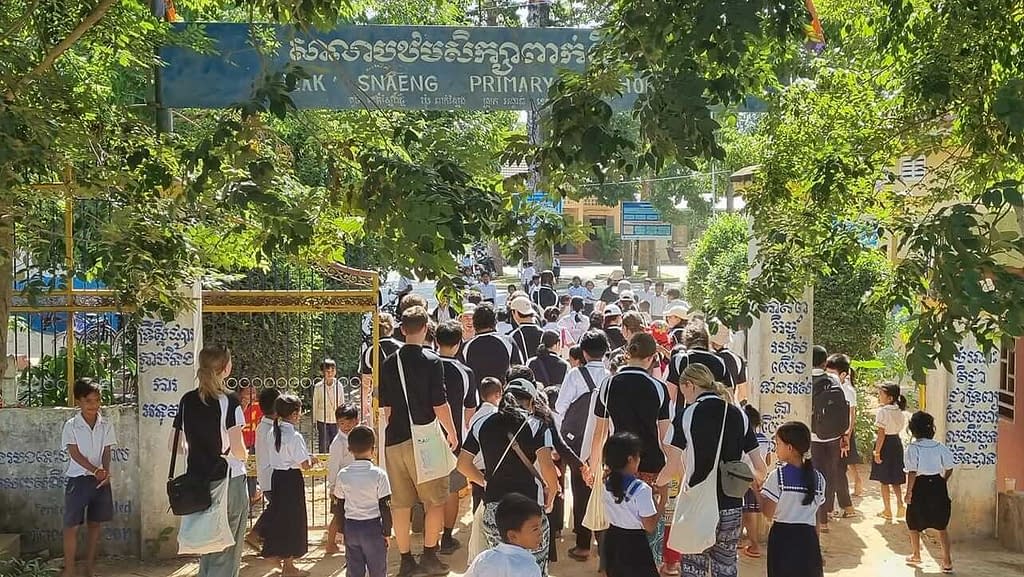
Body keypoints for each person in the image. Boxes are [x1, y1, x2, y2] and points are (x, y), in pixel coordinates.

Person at [379, 306, 460, 577]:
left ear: (402, 329)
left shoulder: (389, 362)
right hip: (425, 438)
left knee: (400, 505)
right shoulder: (431, 360)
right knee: (434, 501)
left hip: (395, 441)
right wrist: (451, 431)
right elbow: (439, 403)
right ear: (426, 328)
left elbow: (386, 409)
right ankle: (429, 555)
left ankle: (405, 560)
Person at [671, 363, 767, 577]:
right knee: (725, 564)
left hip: (696, 504)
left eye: (683, 389)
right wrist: (749, 481)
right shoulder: (739, 415)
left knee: (694, 565)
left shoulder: (687, 415)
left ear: (690, 385)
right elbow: (760, 468)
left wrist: (657, 486)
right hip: (732, 504)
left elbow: (671, 467)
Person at [458, 378, 560, 575]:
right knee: (534, 566)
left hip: (494, 507)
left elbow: (462, 464)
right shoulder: (537, 425)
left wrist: (485, 482)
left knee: (501, 565)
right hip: (528, 508)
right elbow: (547, 466)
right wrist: (553, 492)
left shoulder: (481, 423)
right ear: (531, 401)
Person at [591, 333, 672, 563]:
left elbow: (599, 432)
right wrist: (671, 468)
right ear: (652, 358)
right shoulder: (658, 387)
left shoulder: (608, 384)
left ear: (628, 354)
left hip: (616, 463)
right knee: (650, 525)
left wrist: (594, 466)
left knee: (616, 520)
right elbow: (665, 435)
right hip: (651, 465)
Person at [170, 345, 249, 577]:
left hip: (198, 482)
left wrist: (199, 449)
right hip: (228, 480)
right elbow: (238, 449)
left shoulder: (187, 400)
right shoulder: (229, 402)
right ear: (226, 369)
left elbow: (174, 444)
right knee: (227, 547)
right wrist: (243, 455)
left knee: (208, 546)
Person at [554, 330, 609, 562]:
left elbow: (560, 407)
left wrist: (558, 441)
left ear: (583, 353)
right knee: (604, 491)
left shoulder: (575, 375)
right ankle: (603, 544)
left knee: (580, 491)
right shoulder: (611, 376)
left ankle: (583, 544)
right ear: (605, 351)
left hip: (576, 443)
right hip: (604, 442)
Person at [61, 378, 116, 577]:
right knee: (72, 526)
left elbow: (107, 450)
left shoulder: (105, 425)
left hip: (100, 480)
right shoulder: (71, 426)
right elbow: (74, 453)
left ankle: (89, 567)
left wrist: (105, 471)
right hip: (78, 479)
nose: (94, 405)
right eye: (88, 401)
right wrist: (95, 470)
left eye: (97, 401)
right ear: (78, 402)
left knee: (95, 524)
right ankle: (69, 569)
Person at [757, 421, 825, 577]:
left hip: (783, 538)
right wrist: (817, 545)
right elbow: (817, 516)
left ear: (789, 448)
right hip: (809, 539)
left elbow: (768, 512)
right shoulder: (818, 478)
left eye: (778, 443)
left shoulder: (778, 476)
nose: (775, 448)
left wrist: (756, 491)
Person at [435, 320, 478, 554]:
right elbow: (470, 410)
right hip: (454, 439)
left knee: (426, 485)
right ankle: (447, 537)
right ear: (459, 343)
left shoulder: (425, 366)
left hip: (423, 435)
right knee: (451, 489)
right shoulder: (465, 372)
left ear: (435, 341)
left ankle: (425, 530)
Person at [263, 395, 318, 576]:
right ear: (295, 414)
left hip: (277, 478)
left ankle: (282, 559)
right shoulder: (294, 436)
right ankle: (288, 564)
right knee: (293, 521)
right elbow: (304, 464)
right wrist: (313, 460)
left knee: (281, 518)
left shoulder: (272, 432)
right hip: (291, 480)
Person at [333, 426, 393, 577]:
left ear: (349, 449)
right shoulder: (379, 475)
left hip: (351, 528)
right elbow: (385, 506)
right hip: (373, 528)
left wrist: (340, 530)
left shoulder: (343, 475)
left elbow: (339, 505)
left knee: (354, 569)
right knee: (377, 569)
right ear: (373, 449)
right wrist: (387, 531)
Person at [601, 432, 661, 577]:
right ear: (630, 459)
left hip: (612, 540)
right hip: (635, 546)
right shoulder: (641, 489)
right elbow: (650, 526)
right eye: (638, 456)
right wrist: (661, 501)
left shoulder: (605, 483)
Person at [904, 411, 954, 573]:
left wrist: (909, 492)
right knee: (941, 524)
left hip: (920, 485)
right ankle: (947, 560)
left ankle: (916, 554)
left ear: (913, 429)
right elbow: (949, 467)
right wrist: (943, 481)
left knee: (913, 521)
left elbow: (912, 472)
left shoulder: (913, 448)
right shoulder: (940, 446)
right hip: (938, 485)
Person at [810, 347, 854, 532]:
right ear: (824, 363)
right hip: (834, 436)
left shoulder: (804, 379)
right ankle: (826, 516)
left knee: (814, 476)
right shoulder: (834, 379)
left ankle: (817, 519)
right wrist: (844, 436)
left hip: (812, 436)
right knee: (830, 475)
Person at [463, 493, 545, 577]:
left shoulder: (484, 558)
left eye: (540, 527)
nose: (540, 533)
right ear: (512, 536)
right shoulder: (529, 568)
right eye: (535, 529)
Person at [666, 320, 733, 411]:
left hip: (685, 416)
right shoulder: (720, 362)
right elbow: (729, 396)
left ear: (686, 340)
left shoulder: (680, 360)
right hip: (714, 416)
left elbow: (670, 396)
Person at [247, 387, 280, 549]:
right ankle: (255, 534)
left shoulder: (263, 426)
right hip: (273, 476)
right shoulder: (271, 430)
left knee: (275, 508)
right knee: (277, 508)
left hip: (267, 475)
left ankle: (262, 538)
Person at [326, 404, 360, 555]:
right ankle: (330, 543)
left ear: (356, 421)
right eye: (342, 423)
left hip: (355, 485)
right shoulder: (338, 443)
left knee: (349, 515)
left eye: (349, 422)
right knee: (339, 516)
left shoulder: (356, 437)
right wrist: (332, 487)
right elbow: (333, 466)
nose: (346, 426)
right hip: (342, 486)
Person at [465, 377, 503, 512]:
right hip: (491, 467)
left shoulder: (476, 416)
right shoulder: (497, 415)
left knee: (478, 505)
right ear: (499, 394)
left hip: (475, 468)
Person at [871, 382, 908, 521]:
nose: (879, 396)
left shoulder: (882, 412)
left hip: (885, 445)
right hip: (896, 444)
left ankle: (887, 509)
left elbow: (881, 434)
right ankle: (900, 504)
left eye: (881, 394)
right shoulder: (899, 411)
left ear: (890, 397)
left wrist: (877, 452)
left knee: (884, 480)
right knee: (896, 478)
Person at [739, 404, 770, 559]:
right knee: (751, 512)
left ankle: (754, 545)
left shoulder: (742, 440)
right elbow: (768, 460)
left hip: (745, 480)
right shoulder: (764, 439)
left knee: (747, 513)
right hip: (759, 479)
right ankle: (744, 541)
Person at [462, 303, 515, 386]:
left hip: (477, 396)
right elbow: (518, 369)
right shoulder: (507, 341)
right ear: (495, 321)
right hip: (503, 394)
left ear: (474, 322)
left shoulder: (466, 346)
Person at [360, 313, 401, 419]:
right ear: (392, 328)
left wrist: (364, 405)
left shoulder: (369, 351)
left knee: (380, 434)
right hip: (400, 401)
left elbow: (365, 384)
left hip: (379, 401)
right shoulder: (401, 348)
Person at [313, 358, 345, 453]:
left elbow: (341, 403)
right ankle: (323, 463)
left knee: (335, 442)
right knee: (323, 443)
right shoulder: (318, 386)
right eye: (327, 371)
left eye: (332, 371)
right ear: (322, 372)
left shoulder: (339, 385)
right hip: (322, 419)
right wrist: (314, 421)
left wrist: (342, 419)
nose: (330, 373)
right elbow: (315, 403)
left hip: (335, 419)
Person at [238, 383, 262, 505]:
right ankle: (247, 496)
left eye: (253, 393)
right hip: (241, 443)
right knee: (243, 471)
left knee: (253, 471)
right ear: (241, 393)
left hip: (254, 442)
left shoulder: (258, 406)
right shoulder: (237, 407)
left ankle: (253, 495)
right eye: (248, 393)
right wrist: (244, 407)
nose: (251, 396)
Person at [508, 296, 544, 365]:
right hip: (545, 374)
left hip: (523, 374)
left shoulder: (512, 336)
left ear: (515, 312)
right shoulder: (545, 333)